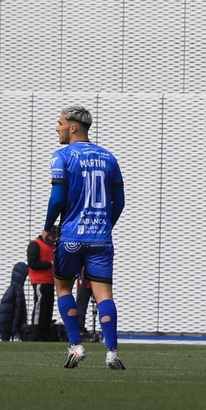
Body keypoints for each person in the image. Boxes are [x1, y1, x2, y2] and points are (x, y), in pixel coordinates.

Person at [44, 105, 126, 369]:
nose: (56, 128)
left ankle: (76, 347)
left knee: (63, 288)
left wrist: (48, 227)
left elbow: (57, 198)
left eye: (59, 123)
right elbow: (120, 202)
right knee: (105, 295)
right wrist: (105, 226)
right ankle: (112, 352)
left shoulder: (62, 156)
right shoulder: (109, 157)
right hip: (101, 238)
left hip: (70, 237)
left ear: (72, 127)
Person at [26, 226, 57, 341]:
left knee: (48, 307)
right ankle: (36, 332)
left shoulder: (53, 246)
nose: (52, 239)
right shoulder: (35, 245)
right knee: (40, 307)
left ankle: (45, 332)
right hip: (39, 280)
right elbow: (33, 263)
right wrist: (49, 264)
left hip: (50, 281)